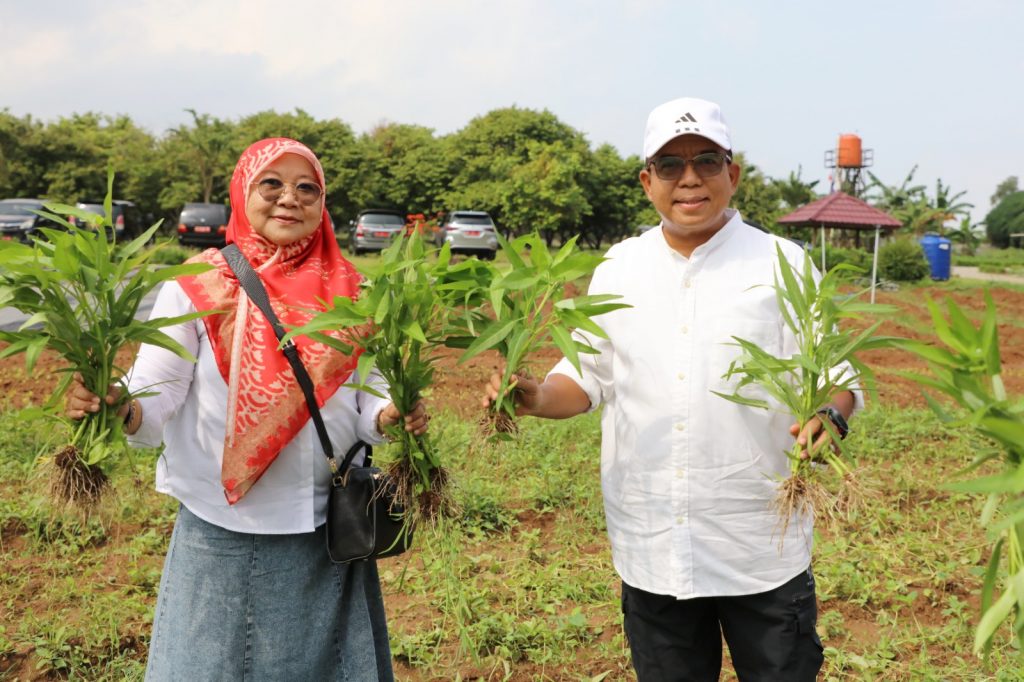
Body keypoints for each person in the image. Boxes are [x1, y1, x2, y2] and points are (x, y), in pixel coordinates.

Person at [483, 98, 859, 681]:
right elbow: (585, 377)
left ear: (733, 174)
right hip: (653, 538)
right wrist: (532, 396)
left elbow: (838, 381)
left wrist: (831, 419)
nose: (689, 179)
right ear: (646, 181)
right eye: (669, 165)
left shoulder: (783, 263)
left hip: (759, 541)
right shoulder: (620, 267)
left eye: (706, 161)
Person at [66, 138, 425, 681]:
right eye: (272, 184)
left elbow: (367, 392)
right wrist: (119, 406)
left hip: (326, 525)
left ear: (323, 203)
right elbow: (156, 392)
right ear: (243, 190)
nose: (290, 199)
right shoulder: (197, 282)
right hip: (221, 528)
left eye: (308, 188)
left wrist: (390, 413)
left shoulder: (355, 288)